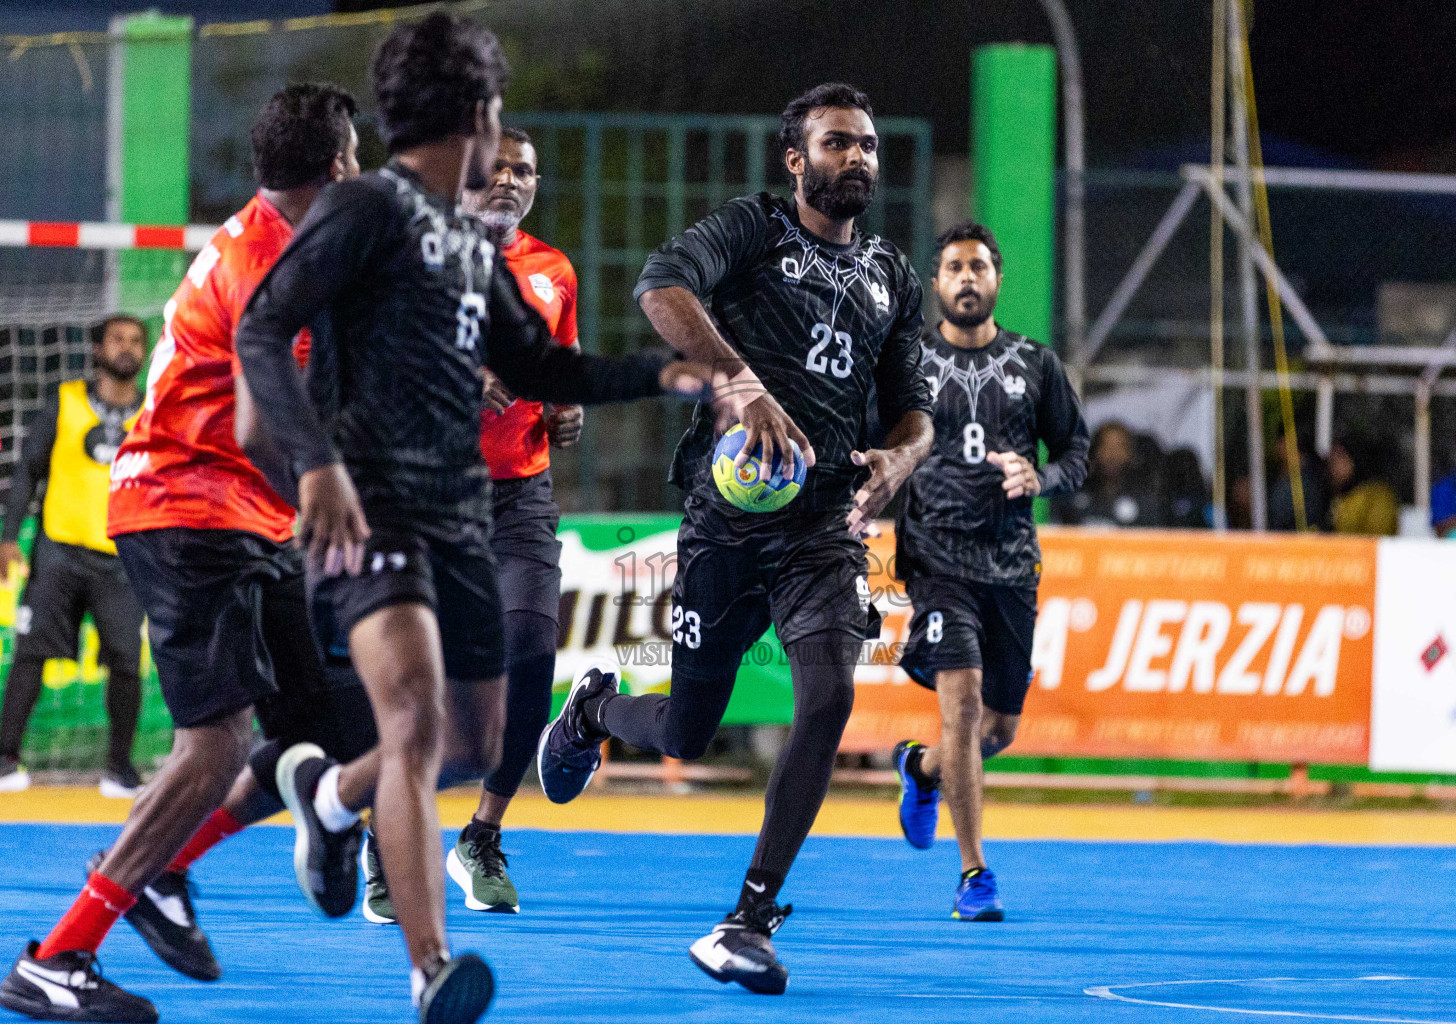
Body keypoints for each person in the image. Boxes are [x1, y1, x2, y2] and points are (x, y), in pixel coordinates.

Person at [232, 14, 705, 1021]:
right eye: (492, 113)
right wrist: (315, 467)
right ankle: (430, 965)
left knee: (471, 736)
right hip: (373, 504)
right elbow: (263, 329)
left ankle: (328, 799)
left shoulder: (469, 241)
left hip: (467, 511)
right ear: (471, 116)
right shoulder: (365, 210)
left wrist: (672, 372)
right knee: (411, 721)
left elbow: (542, 366)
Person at [536, 82, 934, 995]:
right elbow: (658, 286)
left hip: (826, 526)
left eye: (869, 145)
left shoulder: (892, 276)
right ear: (797, 161)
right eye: (838, 143)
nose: (860, 158)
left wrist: (900, 462)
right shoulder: (753, 229)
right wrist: (741, 383)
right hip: (727, 519)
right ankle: (596, 707)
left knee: (828, 698)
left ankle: (748, 918)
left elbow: (917, 412)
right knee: (685, 731)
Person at [0, 83, 370, 1024]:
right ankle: (57, 956)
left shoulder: (281, 242)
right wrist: (339, 501)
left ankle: (168, 864)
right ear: (336, 165)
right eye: (357, 155)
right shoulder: (266, 259)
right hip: (184, 505)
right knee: (216, 744)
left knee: (321, 723)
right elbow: (257, 428)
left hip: (238, 512)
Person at [358, 126, 583, 922]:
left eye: (525, 169)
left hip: (519, 496)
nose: (510, 181)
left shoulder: (554, 271)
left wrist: (565, 410)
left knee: (530, 655)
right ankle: (385, 838)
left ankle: (481, 836)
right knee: (418, 684)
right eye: (497, 169)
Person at [890, 222, 1088, 921]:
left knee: (995, 732)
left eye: (978, 266)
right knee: (965, 704)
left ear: (997, 278)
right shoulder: (907, 360)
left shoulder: (1036, 363)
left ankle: (919, 769)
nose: (967, 277)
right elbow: (869, 442)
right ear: (937, 282)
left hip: (1012, 564)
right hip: (938, 557)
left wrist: (1042, 477)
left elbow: (1076, 453)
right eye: (953, 267)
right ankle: (975, 875)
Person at [0, 316, 146, 797]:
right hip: (58, 552)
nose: (126, 348)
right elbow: (27, 472)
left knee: (127, 662)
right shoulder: (64, 401)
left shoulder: (150, 414)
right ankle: (5, 758)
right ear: (98, 349)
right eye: (117, 339)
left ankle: (119, 768)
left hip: (121, 558)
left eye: (135, 341)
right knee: (31, 653)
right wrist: (7, 537)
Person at [1054, 422, 1158, 527]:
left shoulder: (1145, 502)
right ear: (1094, 451)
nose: (1112, 456)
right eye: (1105, 446)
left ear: (1131, 454)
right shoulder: (1073, 496)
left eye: (1119, 447)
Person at [1328, 434, 1400, 536]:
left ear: (1354, 460)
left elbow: (1378, 538)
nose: (1334, 467)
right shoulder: (1342, 494)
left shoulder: (1377, 495)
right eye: (1332, 460)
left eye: (1340, 459)